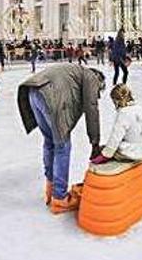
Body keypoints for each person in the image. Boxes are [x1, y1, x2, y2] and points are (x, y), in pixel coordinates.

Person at [17, 64, 105, 214]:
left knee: (50, 142)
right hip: (50, 97)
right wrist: (95, 143)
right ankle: (59, 198)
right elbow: (92, 109)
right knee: (62, 146)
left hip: (33, 92)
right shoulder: (91, 78)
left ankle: (50, 189)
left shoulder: (75, 72)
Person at [90, 84, 142, 164]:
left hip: (130, 153)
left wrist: (105, 155)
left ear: (116, 101)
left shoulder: (124, 114)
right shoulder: (140, 109)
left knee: (102, 149)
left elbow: (115, 138)